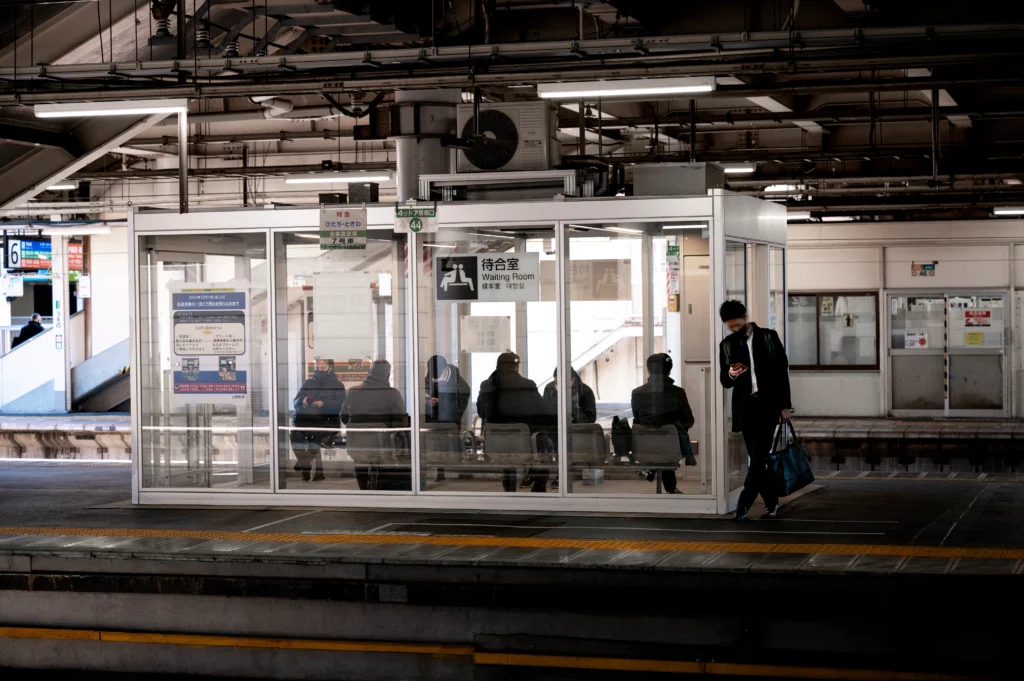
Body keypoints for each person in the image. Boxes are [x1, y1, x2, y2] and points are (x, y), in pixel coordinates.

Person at [718, 299, 792, 520]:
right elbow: (725, 381)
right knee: (757, 459)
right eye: (730, 327)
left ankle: (744, 503)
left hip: (768, 406)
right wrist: (731, 373)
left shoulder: (769, 337)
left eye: (737, 325)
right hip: (745, 408)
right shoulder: (727, 345)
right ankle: (771, 504)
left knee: (758, 457)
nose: (734, 329)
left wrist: (785, 406)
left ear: (746, 317)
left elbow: (782, 373)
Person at [476, 352, 556, 493]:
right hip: (522, 443)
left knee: (508, 451)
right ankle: (539, 485)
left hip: (496, 445)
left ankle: (509, 488)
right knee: (545, 440)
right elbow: (544, 412)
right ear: (516, 367)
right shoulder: (527, 385)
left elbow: (482, 413)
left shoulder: (486, 386)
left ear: (498, 366)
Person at [631, 353, 695, 494]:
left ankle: (651, 470)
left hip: (645, 447)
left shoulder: (636, 393)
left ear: (648, 370)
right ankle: (671, 489)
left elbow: (637, 420)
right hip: (671, 448)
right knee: (667, 444)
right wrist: (672, 428)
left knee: (659, 444)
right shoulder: (677, 392)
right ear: (669, 370)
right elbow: (689, 421)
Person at [342, 359, 410, 490]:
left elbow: (344, 418)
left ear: (369, 372)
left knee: (361, 462)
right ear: (387, 375)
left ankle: (363, 489)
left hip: (357, 445)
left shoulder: (352, 392)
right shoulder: (393, 393)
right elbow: (401, 422)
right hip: (383, 445)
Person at [290, 358, 346, 482]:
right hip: (304, 421)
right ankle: (305, 464)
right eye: (317, 368)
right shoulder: (308, 383)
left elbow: (340, 405)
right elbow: (295, 402)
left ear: (330, 368)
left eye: (323, 368)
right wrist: (303, 402)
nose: (319, 370)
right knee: (295, 436)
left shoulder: (338, 385)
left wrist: (324, 404)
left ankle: (303, 465)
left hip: (326, 422)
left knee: (314, 437)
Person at [542, 366, 597, 489]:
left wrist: (574, 417)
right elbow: (544, 411)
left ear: (573, 380)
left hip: (577, 430)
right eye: (557, 381)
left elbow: (591, 416)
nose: (560, 384)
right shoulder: (550, 389)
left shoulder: (585, 391)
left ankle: (562, 473)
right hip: (555, 428)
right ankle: (543, 474)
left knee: (561, 439)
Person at [425, 355, 471, 482]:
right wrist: (425, 399)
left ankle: (453, 471)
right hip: (432, 421)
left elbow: (458, 406)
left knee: (445, 443)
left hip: (449, 422)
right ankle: (439, 472)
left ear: (444, 370)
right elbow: (424, 389)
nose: (433, 378)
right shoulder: (430, 376)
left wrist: (440, 403)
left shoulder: (458, 383)